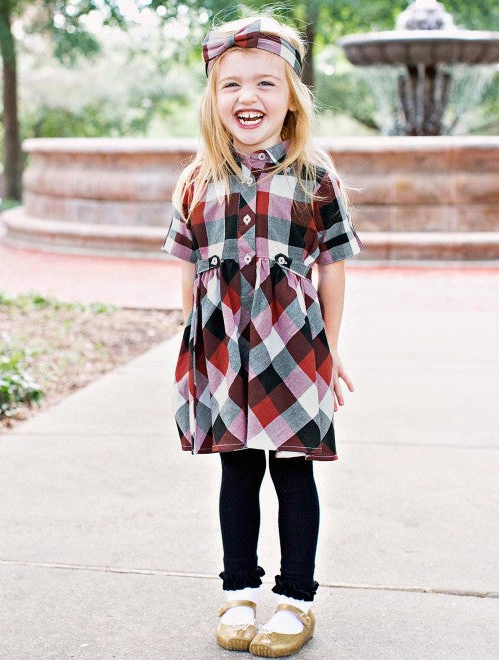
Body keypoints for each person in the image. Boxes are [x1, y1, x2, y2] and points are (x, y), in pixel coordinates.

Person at [161, 13, 364, 658]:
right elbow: (190, 271)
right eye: (232, 86)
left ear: (292, 97)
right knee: (237, 474)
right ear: (214, 100)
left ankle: (296, 599)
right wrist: (187, 350)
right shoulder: (197, 182)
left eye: (265, 84)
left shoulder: (314, 177)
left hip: (294, 352)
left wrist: (329, 354)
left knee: (295, 476)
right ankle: (239, 593)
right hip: (223, 354)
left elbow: (331, 268)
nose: (248, 97)